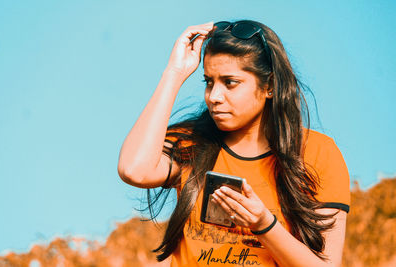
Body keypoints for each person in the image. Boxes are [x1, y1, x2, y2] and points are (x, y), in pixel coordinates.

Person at [117, 20, 350, 267]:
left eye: (230, 82)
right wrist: (173, 74)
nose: (214, 97)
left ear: (269, 86)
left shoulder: (317, 152)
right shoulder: (192, 142)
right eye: (208, 82)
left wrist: (264, 225)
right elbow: (134, 170)